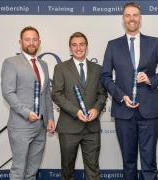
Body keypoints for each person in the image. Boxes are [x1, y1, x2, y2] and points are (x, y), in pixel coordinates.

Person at [101, 2, 158, 180]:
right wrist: (120, 96)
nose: (132, 19)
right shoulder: (113, 45)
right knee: (128, 162)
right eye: (128, 15)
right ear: (123, 19)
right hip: (123, 112)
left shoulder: (154, 43)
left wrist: (151, 79)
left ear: (140, 18)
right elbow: (105, 77)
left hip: (149, 112)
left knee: (149, 163)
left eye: (135, 15)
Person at [1, 26, 55, 180]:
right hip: (21, 126)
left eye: (34, 39)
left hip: (41, 126)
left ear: (39, 42)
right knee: (19, 171)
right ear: (20, 42)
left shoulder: (43, 64)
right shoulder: (11, 62)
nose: (31, 43)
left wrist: (50, 118)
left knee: (32, 171)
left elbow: (46, 95)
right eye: (27, 39)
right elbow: (8, 92)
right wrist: (26, 113)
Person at [52, 32, 107, 180]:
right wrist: (76, 112)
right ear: (70, 48)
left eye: (82, 44)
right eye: (74, 45)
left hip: (92, 128)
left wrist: (96, 108)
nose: (78, 48)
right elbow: (56, 94)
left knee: (93, 170)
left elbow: (102, 94)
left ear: (87, 47)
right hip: (69, 127)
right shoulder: (61, 68)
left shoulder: (98, 69)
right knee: (67, 170)